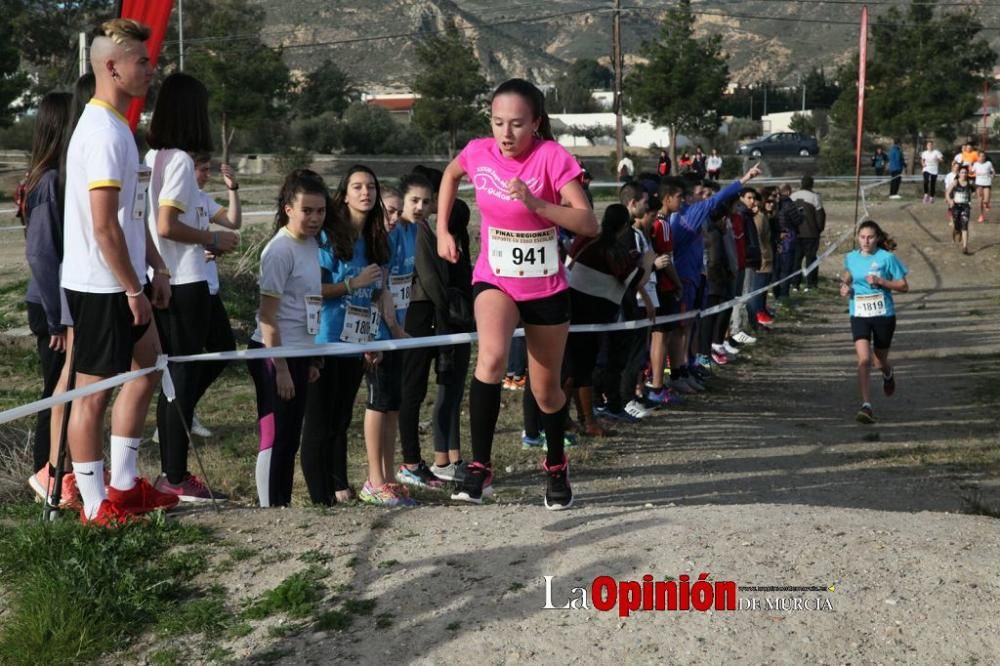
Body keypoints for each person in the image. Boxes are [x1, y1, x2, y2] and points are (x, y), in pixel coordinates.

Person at [437, 78, 599, 509]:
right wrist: (441, 230)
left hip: (545, 286)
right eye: (497, 123)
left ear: (536, 124)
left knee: (545, 391)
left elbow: (588, 224)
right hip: (496, 277)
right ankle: (480, 468)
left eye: (516, 124)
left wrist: (538, 205)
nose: (505, 134)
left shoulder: (552, 158)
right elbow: (451, 175)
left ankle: (556, 465)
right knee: (490, 358)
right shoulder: (478, 151)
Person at [60, 18, 178, 525]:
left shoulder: (119, 129)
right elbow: (104, 228)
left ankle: (125, 485)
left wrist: (156, 264)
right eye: (142, 61)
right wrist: (133, 288)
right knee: (91, 395)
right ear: (111, 66)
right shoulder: (104, 133)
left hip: (127, 279)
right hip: (101, 283)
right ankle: (92, 505)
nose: (150, 69)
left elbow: (131, 217)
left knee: (148, 366)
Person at [145, 72, 238, 502]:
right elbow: (166, 224)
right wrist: (211, 239)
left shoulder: (153, 156)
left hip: (171, 278)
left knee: (205, 358)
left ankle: (175, 461)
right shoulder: (179, 160)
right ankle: (176, 476)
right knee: (180, 377)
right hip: (183, 281)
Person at [301, 166, 396, 505]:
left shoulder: (373, 241)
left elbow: (372, 296)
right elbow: (311, 288)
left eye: (371, 186)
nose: (366, 192)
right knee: (320, 421)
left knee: (341, 419)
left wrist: (373, 339)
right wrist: (350, 284)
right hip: (325, 339)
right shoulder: (327, 239)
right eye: (357, 187)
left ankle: (339, 486)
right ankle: (320, 496)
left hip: (357, 342)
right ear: (343, 195)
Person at [246, 170, 325, 507]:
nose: (315, 218)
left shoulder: (311, 245)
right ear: (288, 209)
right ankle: (269, 507)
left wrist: (313, 356)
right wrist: (279, 368)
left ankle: (282, 502)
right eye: (307, 210)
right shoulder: (279, 251)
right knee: (275, 434)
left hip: (300, 350)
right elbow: (268, 316)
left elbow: (309, 301)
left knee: (291, 436)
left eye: (320, 211)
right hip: (272, 351)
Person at [18, 93, 72, 484]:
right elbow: (41, 254)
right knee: (55, 392)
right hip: (49, 306)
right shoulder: (50, 181)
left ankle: (59, 471)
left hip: (52, 303)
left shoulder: (49, 177)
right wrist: (56, 321)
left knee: (61, 390)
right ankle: (47, 475)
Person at [188, 155, 242, 438]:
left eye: (209, 170)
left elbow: (233, 221)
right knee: (187, 358)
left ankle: (184, 408)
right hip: (189, 287)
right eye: (202, 169)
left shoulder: (201, 198)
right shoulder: (173, 198)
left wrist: (233, 189)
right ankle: (178, 414)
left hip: (209, 288)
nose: (206, 175)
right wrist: (208, 242)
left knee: (224, 348)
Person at [839, 220, 908, 424]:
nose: (866, 241)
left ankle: (888, 372)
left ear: (877, 238)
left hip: (883, 314)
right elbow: (847, 274)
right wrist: (844, 286)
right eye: (862, 237)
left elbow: (904, 286)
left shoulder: (887, 258)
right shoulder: (851, 257)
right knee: (864, 360)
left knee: (879, 361)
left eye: (870, 237)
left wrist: (881, 282)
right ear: (857, 238)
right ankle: (866, 405)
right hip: (858, 312)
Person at [790, 175, 826, 292]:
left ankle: (795, 283)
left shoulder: (793, 196)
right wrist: (818, 229)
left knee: (796, 259)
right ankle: (811, 283)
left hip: (796, 234)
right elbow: (820, 216)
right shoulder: (815, 197)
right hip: (811, 234)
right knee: (811, 259)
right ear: (811, 184)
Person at [945, 164, 974, 254]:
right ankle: (957, 231)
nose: (964, 174)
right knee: (957, 225)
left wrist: (971, 197)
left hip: (965, 207)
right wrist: (950, 200)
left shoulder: (969, 183)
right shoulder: (955, 182)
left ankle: (965, 247)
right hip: (956, 206)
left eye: (965, 172)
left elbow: (973, 192)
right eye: (962, 172)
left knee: (965, 225)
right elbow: (947, 193)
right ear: (959, 173)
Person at [972, 151, 994, 224]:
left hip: (987, 183)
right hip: (979, 184)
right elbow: (971, 172)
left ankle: (987, 204)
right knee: (980, 201)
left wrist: (992, 175)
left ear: (985, 157)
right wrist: (975, 173)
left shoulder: (988, 163)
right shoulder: (975, 164)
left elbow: (993, 171)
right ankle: (981, 215)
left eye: (983, 156)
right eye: (980, 156)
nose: (982, 158)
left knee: (986, 200)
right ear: (978, 157)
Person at [920, 140, 943, 204]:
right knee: (926, 181)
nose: (929, 146)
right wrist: (923, 164)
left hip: (934, 169)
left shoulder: (936, 152)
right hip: (926, 168)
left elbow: (941, 159)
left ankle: (931, 197)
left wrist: (939, 159)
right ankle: (926, 195)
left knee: (933, 183)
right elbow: (922, 160)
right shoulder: (924, 153)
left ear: (933, 146)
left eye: (931, 145)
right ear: (926, 146)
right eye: (928, 145)